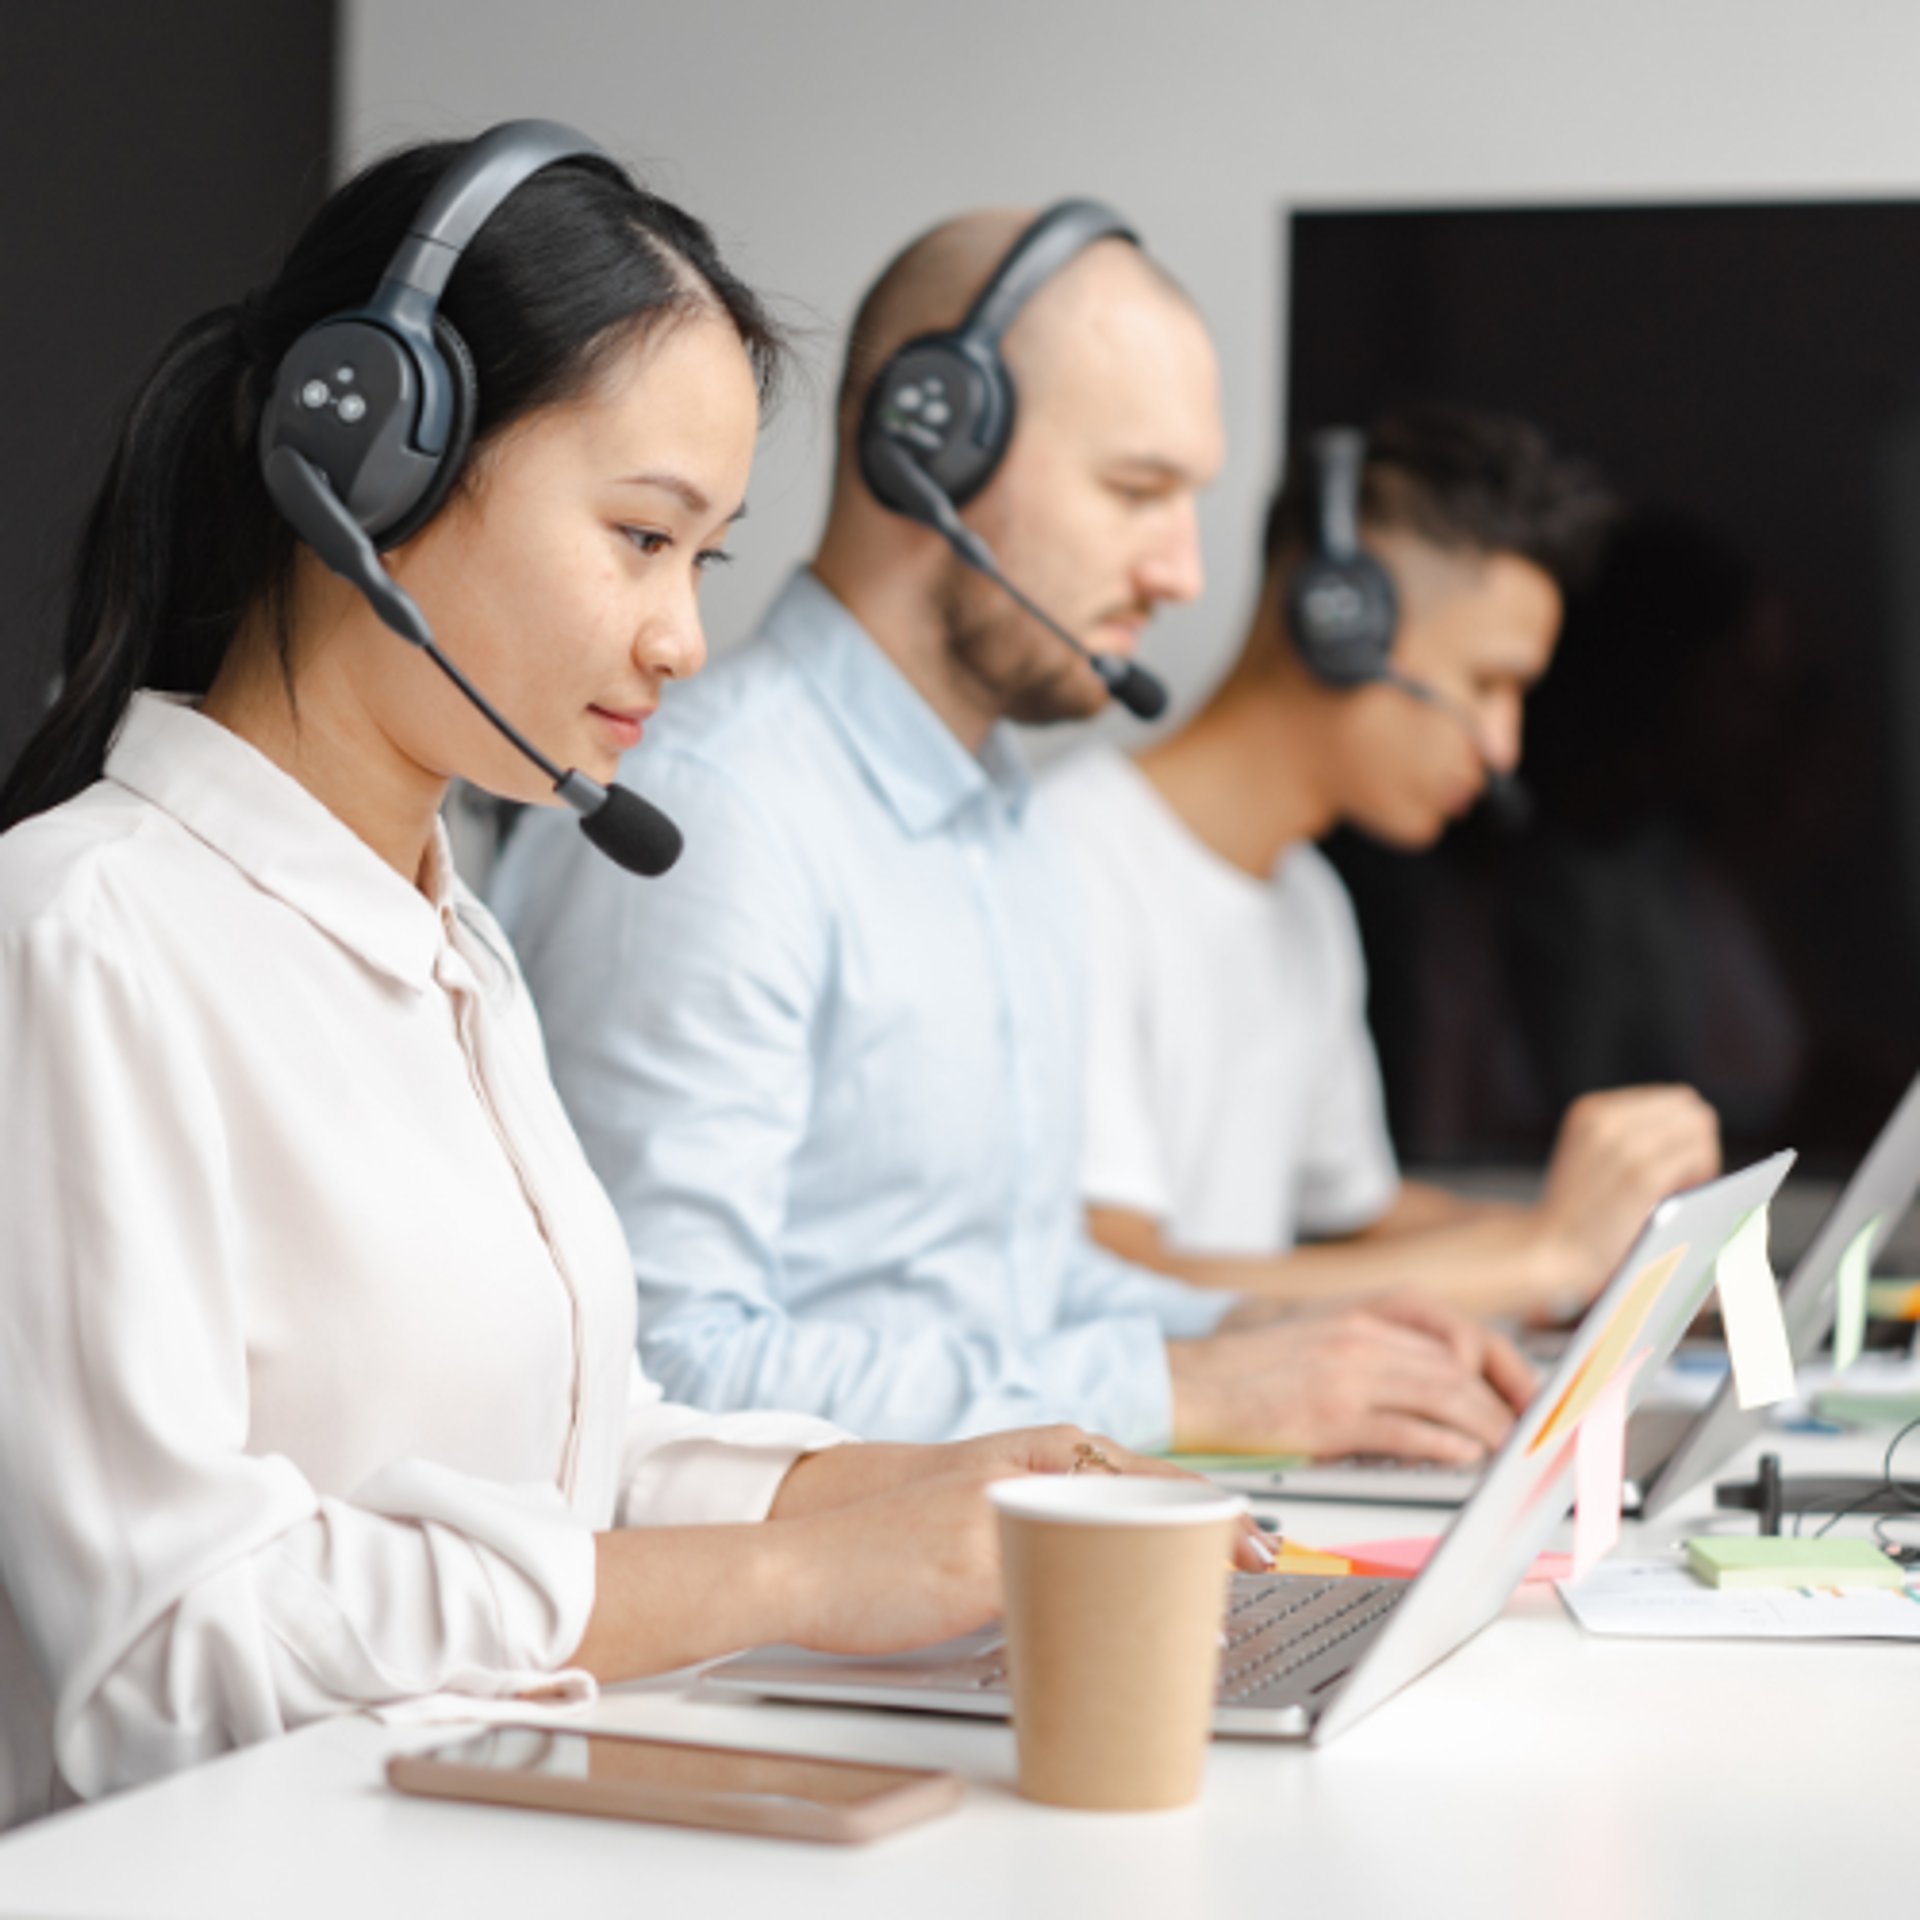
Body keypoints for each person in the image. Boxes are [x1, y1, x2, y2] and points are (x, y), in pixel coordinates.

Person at [0, 130, 1239, 1833]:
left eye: (705, 559)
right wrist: (792, 1578)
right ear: (366, 464)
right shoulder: (81, 937)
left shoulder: (449, 936)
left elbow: (561, 1450)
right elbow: (168, 1654)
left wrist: (916, 1489)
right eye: (643, 538)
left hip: (462, 1838)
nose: (683, 637)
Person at [491, 209, 1534, 1459]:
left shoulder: (1006, 825)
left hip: (976, 1580)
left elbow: (1024, 1297)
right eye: (1137, 491)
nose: (1183, 573)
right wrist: (1197, 1398)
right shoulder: (721, 819)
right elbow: (659, 1369)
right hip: (772, 1638)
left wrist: (1287, 1338)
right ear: (934, 439)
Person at [1039, 407, 1722, 1320]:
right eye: (1488, 683)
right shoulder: (1069, 862)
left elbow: (1362, 1220)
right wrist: (1537, 1259)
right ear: (1338, 620)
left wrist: (1618, 1247)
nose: (1502, 749)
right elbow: (1118, 1288)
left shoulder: (1307, 902)